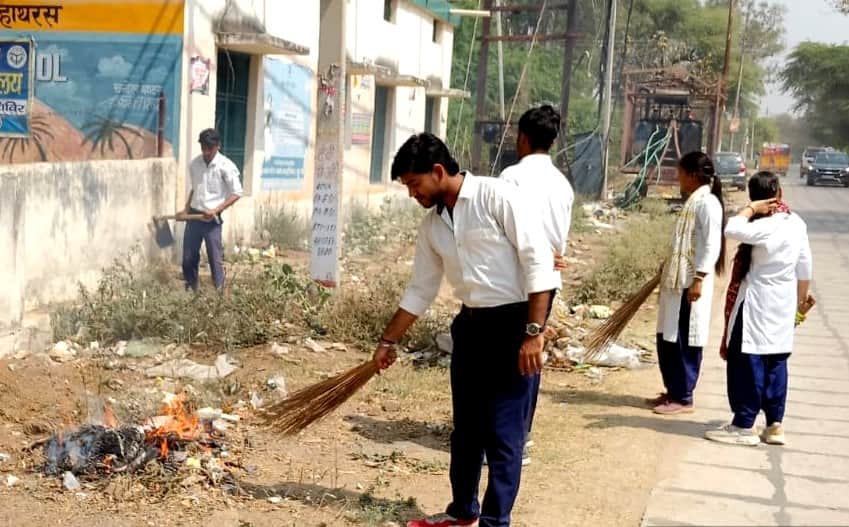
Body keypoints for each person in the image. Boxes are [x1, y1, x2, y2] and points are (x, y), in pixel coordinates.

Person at [373, 133, 559, 527]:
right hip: (471, 328)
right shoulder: (432, 226)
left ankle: (495, 521)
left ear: (438, 171)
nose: (412, 194)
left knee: (505, 435)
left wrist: (533, 333)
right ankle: (462, 513)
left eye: (414, 183)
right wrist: (388, 340)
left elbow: (539, 265)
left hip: (514, 326)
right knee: (467, 431)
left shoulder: (498, 198)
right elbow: (421, 288)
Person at [705, 172, 813, 446]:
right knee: (776, 361)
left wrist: (753, 208)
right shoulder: (796, 223)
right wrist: (801, 304)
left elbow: (731, 229)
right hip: (784, 303)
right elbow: (805, 267)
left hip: (757, 303)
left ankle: (743, 424)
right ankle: (775, 424)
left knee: (747, 361)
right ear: (779, 193)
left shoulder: (765, 225)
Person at [498, 104, 574, 464]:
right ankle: (521, 434)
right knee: (532, 352)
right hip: (548, 280)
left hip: (515, 278)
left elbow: (500, 233)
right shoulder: (562, 184)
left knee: (508, 357)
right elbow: (559, 242)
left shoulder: (511, 177)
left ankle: (507, 439)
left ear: (523, 138)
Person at [650, 151, 726, 415]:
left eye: (680, 173)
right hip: (677, 280)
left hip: (690, 283)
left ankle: (683, 397)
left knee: (684, 339)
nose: (678, 178)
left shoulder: (707, 204)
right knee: (667, 337)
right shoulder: (693, 201)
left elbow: (711, 244)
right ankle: (673, 390)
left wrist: (699, 278)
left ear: (693, 175)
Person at [181, 128, 243, 291]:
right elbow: (195, 189)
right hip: (194, 217)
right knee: (188, 258)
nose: (206, 152)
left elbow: (237, 193)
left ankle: (219, 295)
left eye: (210, 148)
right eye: (204, 148)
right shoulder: (194, 164)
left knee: (215, 259)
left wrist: (216, 210)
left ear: (218, 146)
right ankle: (191, 291)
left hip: (212, 221)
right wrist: (186, 210)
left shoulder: (226, 166)